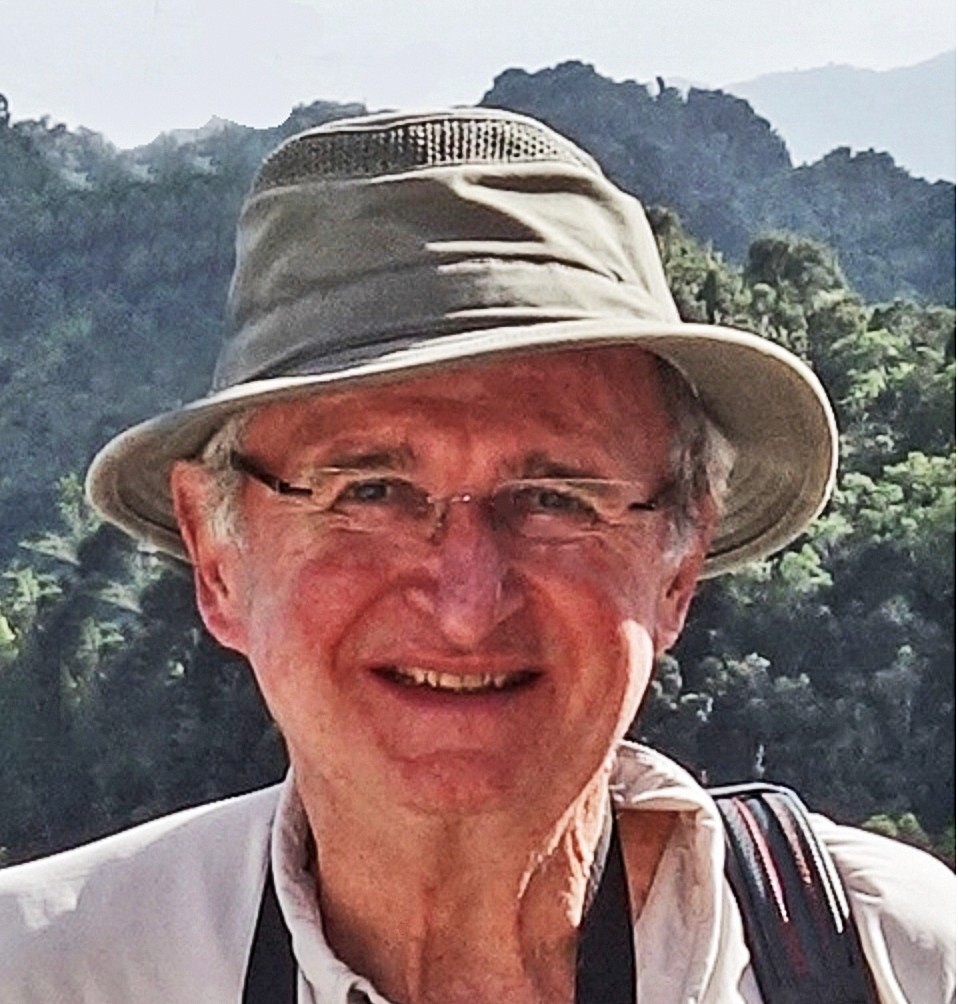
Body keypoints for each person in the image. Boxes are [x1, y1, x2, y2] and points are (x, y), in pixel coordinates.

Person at [0, 107, 953, 1004]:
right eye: (369, 492)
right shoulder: (50, 970)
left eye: (555, 500)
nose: (467, 604)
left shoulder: (889, 960)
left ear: (678, 564)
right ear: (218, 557)